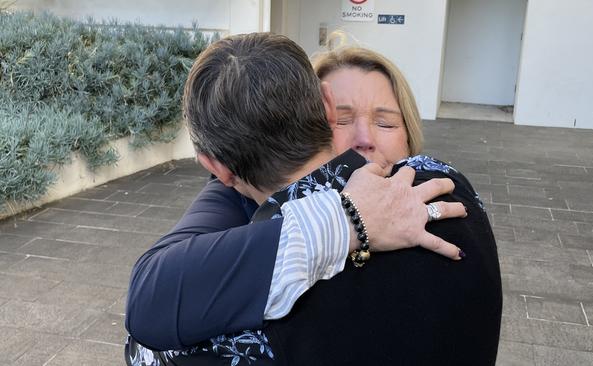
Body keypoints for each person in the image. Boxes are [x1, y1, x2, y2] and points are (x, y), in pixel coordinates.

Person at [126, 33, 501, 365]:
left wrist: (234, 165)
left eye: (385, 122)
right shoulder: (448, 186)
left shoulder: (229, 331)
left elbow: (144, 333)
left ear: (216, 167)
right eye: (344, 118)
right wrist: (347, 215)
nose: (363, 138)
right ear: (325, 106)